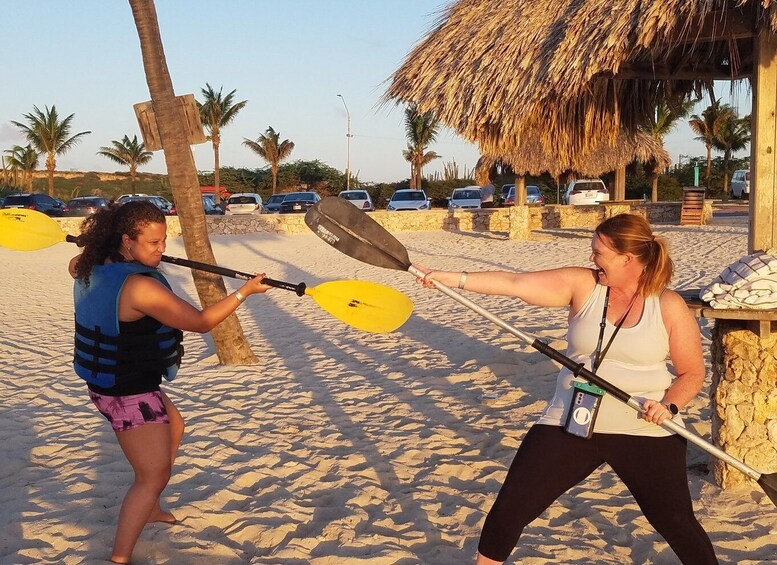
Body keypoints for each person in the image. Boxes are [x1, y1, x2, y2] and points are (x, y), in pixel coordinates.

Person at [417, 213, 717, 564]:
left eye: (599, 252)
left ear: (627, 258)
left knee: (676, 521)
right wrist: (451, 279)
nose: (593, 259)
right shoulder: (583, 285)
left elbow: (691, 372)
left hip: (643, 426)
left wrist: (670, 406)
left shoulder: (667, 304)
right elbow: (515, 283)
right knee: (512, 506)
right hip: (571, 418)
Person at [69, 201, 271, 564]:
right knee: (151, 476)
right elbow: (200, 321)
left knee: (175, 425)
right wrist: (244, 292)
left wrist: (97, 250)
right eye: (152, 243)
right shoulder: (140, 289)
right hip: (128, 392)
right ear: (126, 241)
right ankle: (120, 556)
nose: (162, 250)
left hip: (114, 381)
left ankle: (152, 507)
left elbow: (74, 265)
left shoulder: (90, 265)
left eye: (163, 241)